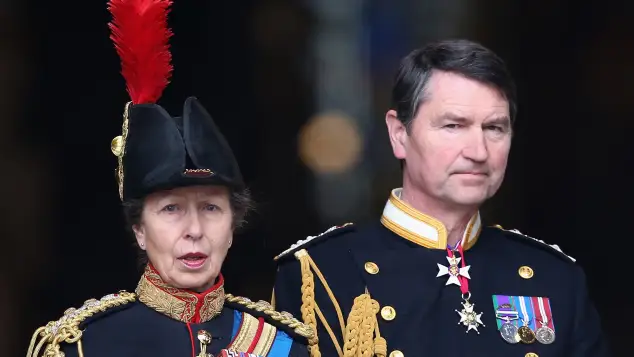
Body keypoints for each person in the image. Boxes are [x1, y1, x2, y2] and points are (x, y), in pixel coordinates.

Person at [271, 39, 610, 357]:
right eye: (453, 126)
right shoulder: (321, 273)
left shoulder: (555, 279)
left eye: (494, 128)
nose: (478, 152)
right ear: (399, 134)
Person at [26, 1, 313, 357]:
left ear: (233, 227)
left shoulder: (283, 346)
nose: (194, 228)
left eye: (211, 208)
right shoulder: (84, 345)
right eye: (171, 209)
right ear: (139, 230)